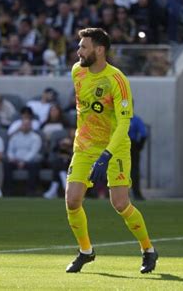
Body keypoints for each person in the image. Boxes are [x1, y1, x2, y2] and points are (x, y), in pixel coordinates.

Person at [65, 28, 157, 274]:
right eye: (79, 46)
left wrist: (106, 155)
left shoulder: (117, 80)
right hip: (85, 146)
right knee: (72, 200)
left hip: (114, 148)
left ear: (99, 50)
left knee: (120, 203)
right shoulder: (77, 71)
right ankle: (86, 251)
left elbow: (124, 123)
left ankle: (148, 249)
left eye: (84, 47)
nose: (79, 51)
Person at [5, 118, 42, 196]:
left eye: (27, 125)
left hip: (29, 161)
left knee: (34, 165)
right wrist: (12, 158)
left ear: (30, 126)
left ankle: (31, 191)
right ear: (21, 126)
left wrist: (23, 161)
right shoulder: (15, 137)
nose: (25, 127)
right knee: (6, 165)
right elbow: (10, 150)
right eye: (23, 125)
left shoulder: (35, 137)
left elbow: (33, 152)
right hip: (15, 160)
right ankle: (9, 191)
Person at [129, 113, 148, 200]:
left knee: (120, 170)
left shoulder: (118, 118)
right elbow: (143, 134)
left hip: (122, 146)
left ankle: (118, 193)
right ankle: (136, 193)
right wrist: (139, 146)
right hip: (133, 146)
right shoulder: (136, 119)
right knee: (134, 170)